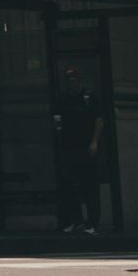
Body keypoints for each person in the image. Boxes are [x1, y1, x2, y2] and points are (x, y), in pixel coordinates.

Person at [53, 61, 105, 237]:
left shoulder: (89, 99)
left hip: (86, 148)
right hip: (69, 148)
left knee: (89, 185)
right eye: (69, 80)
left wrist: (94, 142)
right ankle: (77, 220)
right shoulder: (63, 100)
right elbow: (58, 121)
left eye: (74, 79)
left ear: (80, 81)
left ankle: (92, 222)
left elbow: (99, 120)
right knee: (70, 185)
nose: (72, 83)